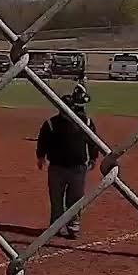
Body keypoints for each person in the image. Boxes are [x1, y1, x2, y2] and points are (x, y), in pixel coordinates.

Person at [36, 91, 100, 240]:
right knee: (56, 198)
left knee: (75, 197)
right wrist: (40, 156)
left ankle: (73, 225)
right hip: (57, 167)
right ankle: (56, 226)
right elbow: (43, 141)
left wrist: (93, 157)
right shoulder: (51, 124)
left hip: (78, 168)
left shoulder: (85, 122)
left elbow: (93, 141)